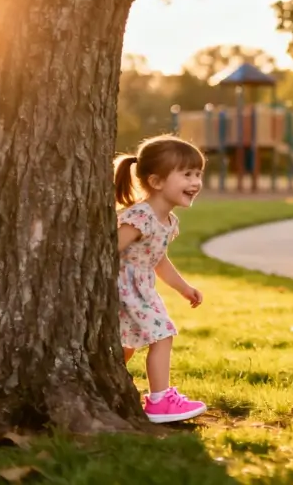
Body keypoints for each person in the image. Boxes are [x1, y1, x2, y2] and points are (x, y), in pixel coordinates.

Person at [113, 134, 208, 424]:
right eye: (187, 174)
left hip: (142, 288)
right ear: (156, 182)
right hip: (124, 287)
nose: (195, 182)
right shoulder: (140, 215)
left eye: (198, 174)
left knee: (126, 344)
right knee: (163, 334)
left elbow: (159, 261)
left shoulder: (168, 221)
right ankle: (159, 401)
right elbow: (108, 249)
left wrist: (184, 288)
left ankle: (111, 381)